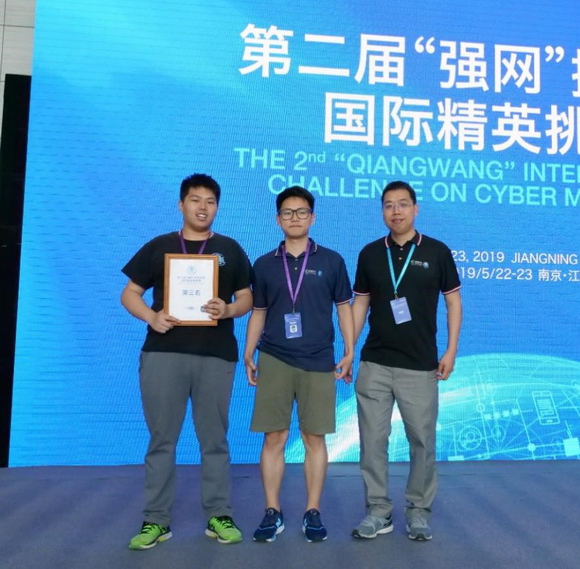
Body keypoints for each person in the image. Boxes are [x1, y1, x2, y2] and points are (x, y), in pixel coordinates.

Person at [121, 173, 253, 550]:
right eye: (195, 199)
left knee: (214, 440)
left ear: (217, 207)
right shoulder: (159, 246)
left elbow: (246, 298)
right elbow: (129, 293)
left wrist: (228, 309)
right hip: (164, 354)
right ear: (181, 204)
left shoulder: (230, 248)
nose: (202, 207)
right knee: (162, 439)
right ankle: (156, 519)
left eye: (210, 201)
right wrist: (151, 317)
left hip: (216, 355)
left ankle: (219, 514)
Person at [350, 181, 462, 542]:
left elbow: (453, 302)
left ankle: (418, 512)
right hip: (375, 363)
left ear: (416, 208)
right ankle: (378, 511)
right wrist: (349, 349)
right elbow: (360, 303)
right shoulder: (370, 253)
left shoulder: (437, 251)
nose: (395, 211)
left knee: (422, 442)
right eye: (388, 205)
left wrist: (451, 350)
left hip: (420, 365)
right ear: (382, 211)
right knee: (372, 442)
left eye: (402, 204)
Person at [244, 186, 354, 543]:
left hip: (318, 360)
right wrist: (248, 352)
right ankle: (272, 511)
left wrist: (350, 350)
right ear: (277, 220)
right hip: (274, 357)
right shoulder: (264, 264)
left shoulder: (332, 261)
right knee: (274, 437)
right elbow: (258, 312)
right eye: (288, 212)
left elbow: (344, 308)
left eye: (302, 211)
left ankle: (312, 511)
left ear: (313, 217)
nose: (295, 218)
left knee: (313, 437)